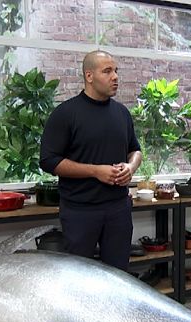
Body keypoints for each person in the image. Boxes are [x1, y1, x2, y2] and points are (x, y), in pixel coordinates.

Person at [40, 50, 142, 270]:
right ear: (89, 76)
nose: (115, 76)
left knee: (118, 275)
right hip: (79, 211)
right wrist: (95, 171)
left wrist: (131, 166)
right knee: (79, 276)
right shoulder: (66, 114)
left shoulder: (122, 113)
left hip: (118, 209)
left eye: (116, 71)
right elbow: (49, 161)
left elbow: (136, 150)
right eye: (107, 71)